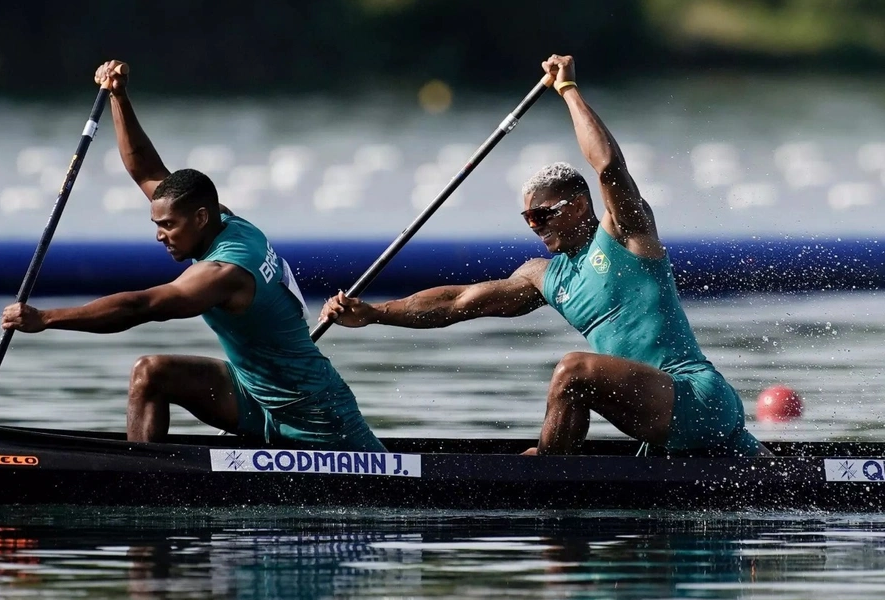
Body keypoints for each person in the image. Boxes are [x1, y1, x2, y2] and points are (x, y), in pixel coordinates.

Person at [320, 54, 767, 458]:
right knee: (575, 383)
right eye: (527, 219)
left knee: (573, 370)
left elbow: (609, 166)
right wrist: (376, 313)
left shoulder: (627, 235)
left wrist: (568, 91)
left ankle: (546, 477)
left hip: (697, 398)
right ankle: (554, 472)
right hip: (658, 423)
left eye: (541, 215)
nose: (535, 227)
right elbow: (455, 303)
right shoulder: (545, 276)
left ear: (576, 206)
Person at [2, 60, 383, 452]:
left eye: (167, 226)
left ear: (200, 218)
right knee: (150, 374)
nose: (159, 236)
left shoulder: (225, 272)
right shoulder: (223, 220)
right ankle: (144, 481)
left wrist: (46, 318)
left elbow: (143, 306)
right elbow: (146, 169)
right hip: (253, 395)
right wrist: (119, 97)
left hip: (316, 414)